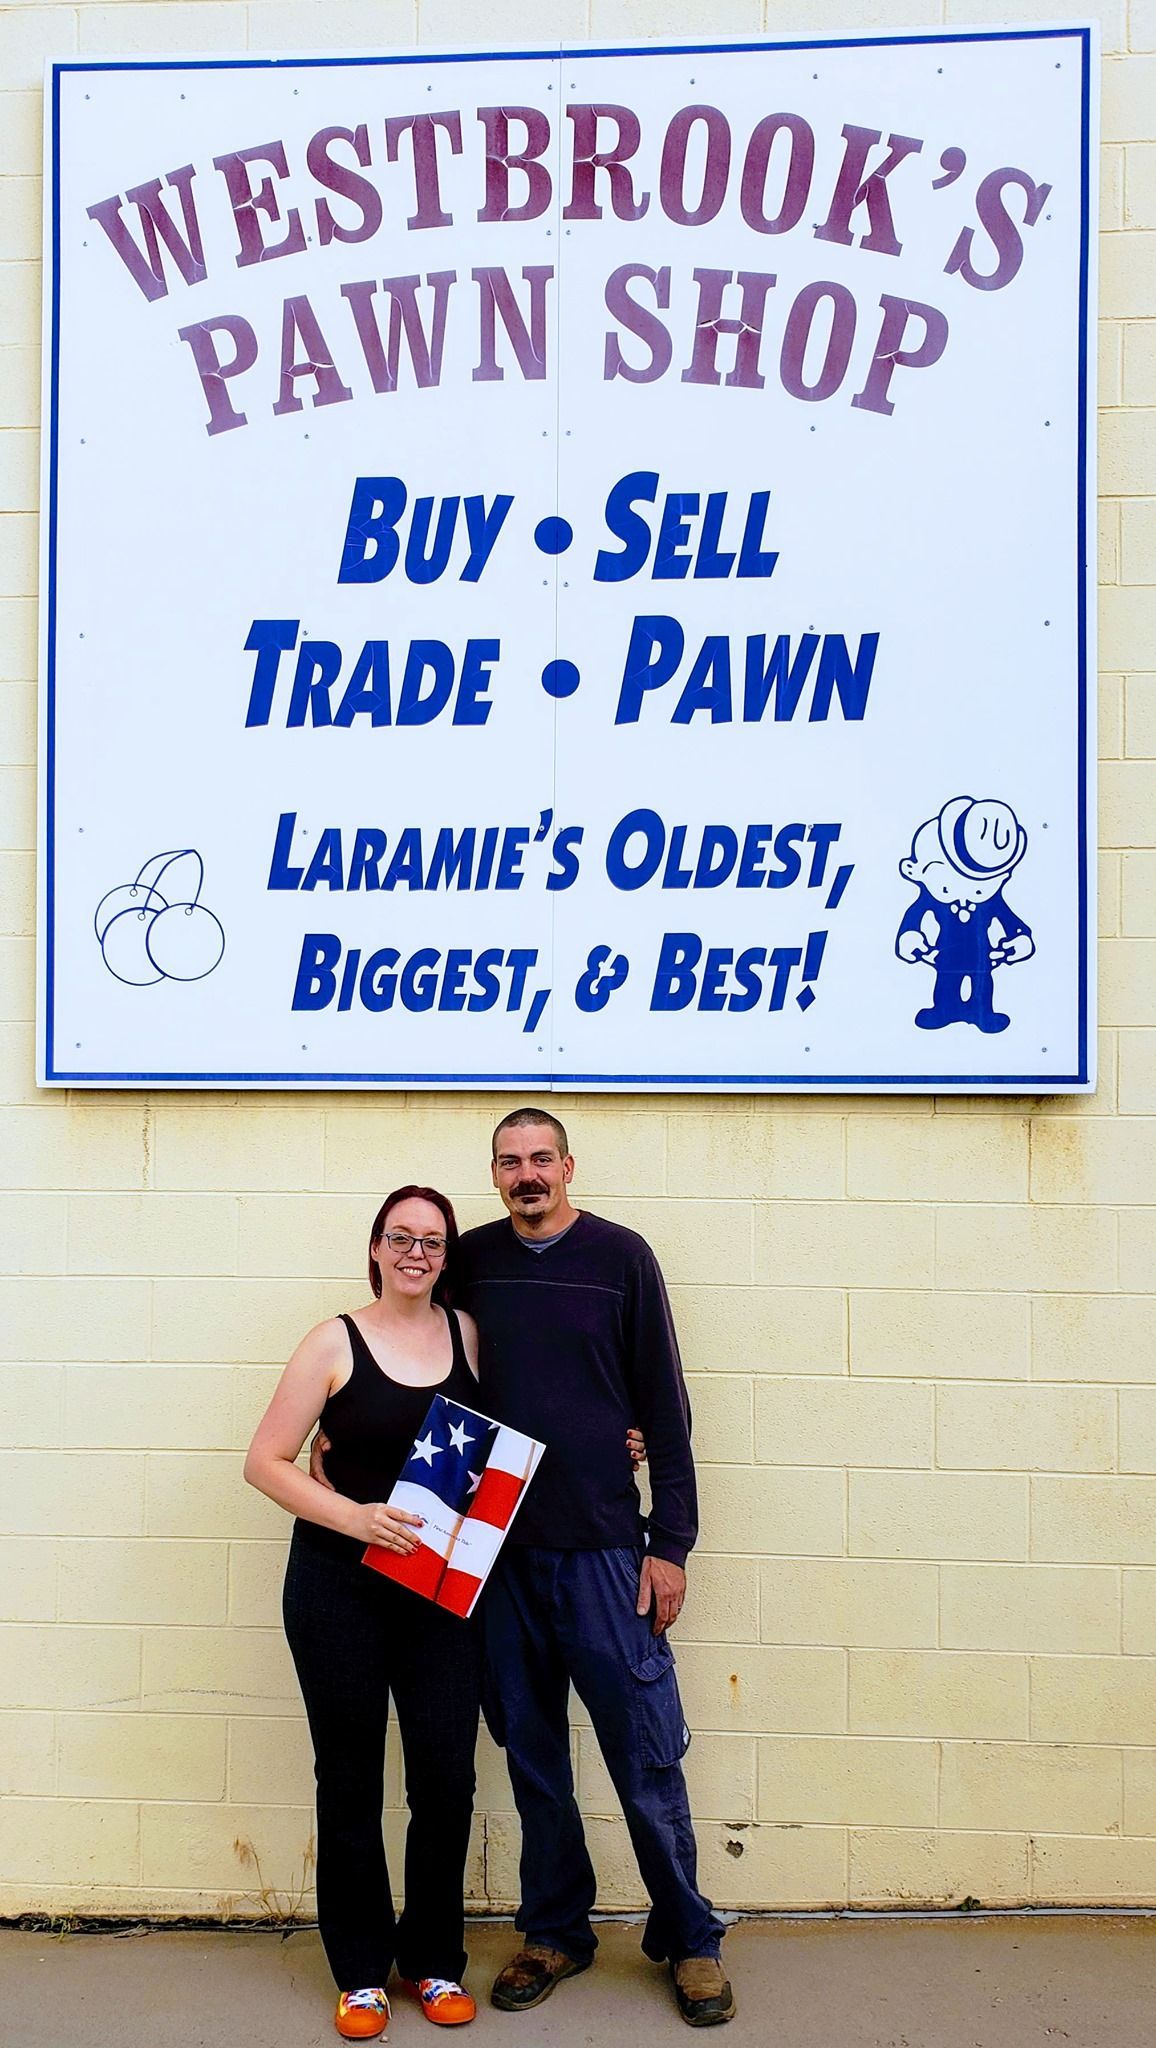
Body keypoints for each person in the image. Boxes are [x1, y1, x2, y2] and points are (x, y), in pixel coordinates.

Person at [246, 1183, 647, 2042]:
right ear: (377, 1247)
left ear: (446, 1255)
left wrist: (621, 1435)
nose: (417, 1253)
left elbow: (531, 1418)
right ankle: (359, 1973)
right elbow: (265, 1461)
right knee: (348, 1779)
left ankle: (430, 1963)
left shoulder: (466, 1332)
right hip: (337, 1588)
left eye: (432, 1240)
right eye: (402, 1238)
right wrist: (353, 1516)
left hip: (441, 1593)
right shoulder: (333, 1340)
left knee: (446, 1779)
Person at [456, 1109, 734, 2028]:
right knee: (535, 1762)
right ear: (495, 1174)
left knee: (646, 1759)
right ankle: (555, 1933)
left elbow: (665, 1399)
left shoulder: (621, 1258)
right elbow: (422, 1366)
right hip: (500, 1560)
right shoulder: (470, 1260)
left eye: (542, 1159)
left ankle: (691, 1939)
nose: (527, 1174)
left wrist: (671, 1545)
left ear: (568, 1166)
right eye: (510, 1162)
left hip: (608, 1555)